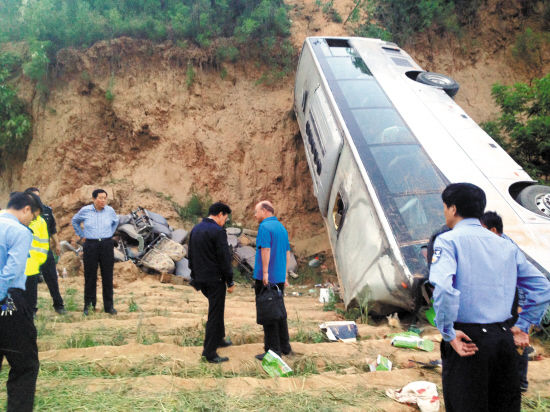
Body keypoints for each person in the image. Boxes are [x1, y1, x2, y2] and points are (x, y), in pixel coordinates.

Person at [429, 183, 550, 412]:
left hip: (467, 339)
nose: (444, 212)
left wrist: (448, 331)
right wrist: (523, 325)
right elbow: (542, 287)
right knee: (503, 405)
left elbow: (443, 289)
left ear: (453, 209)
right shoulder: (505, 245)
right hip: (504, 338)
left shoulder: (448, 241)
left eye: (444, 207)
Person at [480, 211, 533, 393]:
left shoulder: (508, 250)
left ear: (493, 230)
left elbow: (525, 282)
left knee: (518, 340)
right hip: (502, 304)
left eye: (483, 230)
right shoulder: (495, 246)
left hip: (515, 304)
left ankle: (520, 383)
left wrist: (522, 311)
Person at [0, 192, 42, 411]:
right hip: (7, 302)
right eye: (33, 217)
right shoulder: (19, 231)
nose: (31, 222)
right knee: (24, 364)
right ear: (26, 209)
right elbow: (11, 271)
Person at [188, 202, 235, 363]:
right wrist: (230, 280)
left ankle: (219, 338)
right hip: (215, 279)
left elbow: (191, 255)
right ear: (220, 214)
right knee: (214, 315)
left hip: (202, 279)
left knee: (217, 309)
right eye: (225, 218)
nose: (225, 221)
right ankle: (209, 353)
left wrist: (194, 276)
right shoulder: (217, 231)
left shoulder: (196, 229)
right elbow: (224, 258)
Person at [253, 200, 292, 361]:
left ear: (264, 211)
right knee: (279, 313)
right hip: (279, 278)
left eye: (256, 212)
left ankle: (273, 351)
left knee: (269, 314)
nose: (255, 215)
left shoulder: (264, 227)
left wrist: (266, 273)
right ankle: (285, 347)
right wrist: (285, 275)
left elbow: (266, 249)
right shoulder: (281, 228)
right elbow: (287, 252)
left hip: (266, 278)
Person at [72, 189, 119, 315]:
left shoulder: (110, 211)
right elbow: (75, 221)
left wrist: (110, 233)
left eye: (105, 198)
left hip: (106, 244)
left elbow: (116, 222)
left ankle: (109, 307)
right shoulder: (85, 210)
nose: (103, 200)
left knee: (107, 276)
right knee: (90, 276)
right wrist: (82, 235)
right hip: (91, 245)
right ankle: (89, 306)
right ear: (93, 199)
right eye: (100, 198)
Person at [25, 187, 65, 314]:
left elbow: (52, 229)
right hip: (30, 255)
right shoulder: (23, 213)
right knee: (31, 283)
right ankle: (32, 309)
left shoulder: (46, 211)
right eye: (34, 196)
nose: (37, 199)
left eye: (38, 196)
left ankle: (59, 305)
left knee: (52, 279)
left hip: (45, 252)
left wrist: (57, 244)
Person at [22, 193, 49, 316]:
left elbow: (44, 244)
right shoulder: (7, 219)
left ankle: (30, 316)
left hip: (32, 267)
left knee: (30, 299)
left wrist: (38, 261)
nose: (34, 218)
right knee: (10, 302)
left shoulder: (41, 222)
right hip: (13, 270)